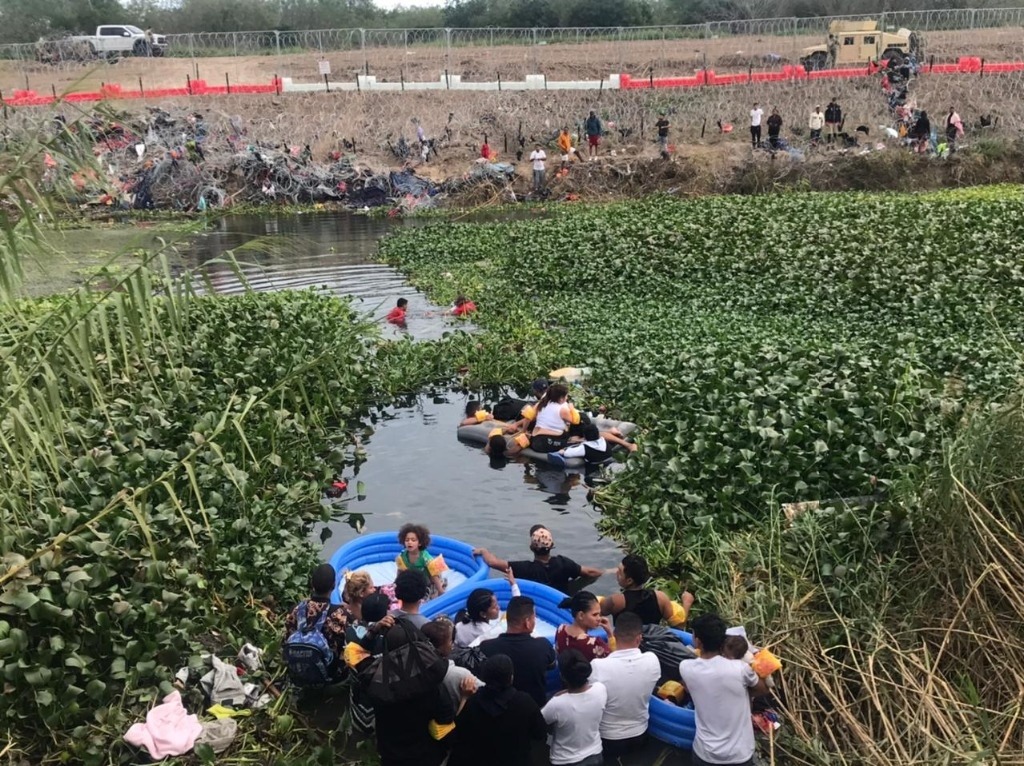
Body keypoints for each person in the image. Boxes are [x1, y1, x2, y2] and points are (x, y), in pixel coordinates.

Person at [680, 613, 771, 766]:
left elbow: (689, 688)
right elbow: (763, 689)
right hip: (739, 755)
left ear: (698, 641)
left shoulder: (686, 668)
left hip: (705, 754)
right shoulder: (740, 669)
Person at [371, 623, 457, 766]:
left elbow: (355, 654)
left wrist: (373, 631)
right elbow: (445, 718)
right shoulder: (429, 682)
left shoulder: (376, 681)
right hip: (423, 755)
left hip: (390, 755)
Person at [448, 654, 548, 766]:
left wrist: (465, 697)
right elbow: (540, 733)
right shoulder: (525, 702)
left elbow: (457, 733)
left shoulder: (473, 703)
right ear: (511, 678)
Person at [590, 611, 662, 759]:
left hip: (608, 736)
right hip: (640, 732)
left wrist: (610, 636)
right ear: (639, 638)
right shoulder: (652, 660)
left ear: (615, 635)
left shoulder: (598, 666)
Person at [473, 524, 604, 592]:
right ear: (552, 545)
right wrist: (606, 571)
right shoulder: (564, 564)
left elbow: (492, 562)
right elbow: (591, 573)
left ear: (531, 547)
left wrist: (484, 550)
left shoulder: (524, 569)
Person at [480, 596, 556, 706]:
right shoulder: (543, 646)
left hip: (496, 709)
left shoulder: (486, 647)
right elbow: (551, 666)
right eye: (534, 618)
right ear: (527, 622)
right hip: (534, 708)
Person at [283, 563, 350, 684]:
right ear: (334, 585)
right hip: (331, 676)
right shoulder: (339, 614)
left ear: (312, 585)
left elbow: (286, 639)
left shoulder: (295, 609)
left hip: (299, 673)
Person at [542, 650, 607, 766]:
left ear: (562, 677)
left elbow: (540, 721)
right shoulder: (600, 689)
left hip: (565, 760)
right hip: (595, 754)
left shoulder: (556, 704)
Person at [600, 554, 693, 627]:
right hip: (653, 643)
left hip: (626, 645)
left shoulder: (616, 601)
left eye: (619, 572)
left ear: (629, 581)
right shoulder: (660, 597)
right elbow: (679, 624)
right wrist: (686, 603)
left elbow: (592, 612)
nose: (616, 573)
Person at [422, 617, 482, 711]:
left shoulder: (414, 670)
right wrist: (465, 697)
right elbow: (484, 690)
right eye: (450, 641)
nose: (452, 644)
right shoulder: (461, 675)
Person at [454, 571, 521, 647]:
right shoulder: (489, 633)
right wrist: (514, 585)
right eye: (495, 607)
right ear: (483, 614)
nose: (498, 608)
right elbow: (518, 608)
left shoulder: (459, 626)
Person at [548, 422, 637, 468]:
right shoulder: (603, 440)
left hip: (595, 468)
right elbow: (601, 435)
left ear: (585, 437)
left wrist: (562, 451)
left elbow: (568, 453)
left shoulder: (584, 448)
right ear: (598, 434)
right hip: (610, 460)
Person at [555, 590, 611, 661]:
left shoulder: (560, 629)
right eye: (595, 615)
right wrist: (610, 634)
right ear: (581, 615)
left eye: (599, 614)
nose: (599, 619)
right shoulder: (594, 643)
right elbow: (613, 661)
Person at [396, 523, 447, 597]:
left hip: (427, 581)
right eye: (407, 540)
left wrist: (440, 591)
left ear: (419, 543)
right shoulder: (403, 556)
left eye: (413, 540)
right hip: (414, 580)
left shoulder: (424, 557)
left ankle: (439, 586)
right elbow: (400, 570)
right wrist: (396, 583)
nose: (409, 542)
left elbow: (433, 574)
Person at [528, 383, 582, 454]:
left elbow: (528, 415)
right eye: (566, 396)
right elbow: (576, 421)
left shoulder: (544, 402)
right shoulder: (562, 409)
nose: (567, 398)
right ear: (561, 398)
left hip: (534, 439)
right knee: (574, 444)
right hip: (544, 442)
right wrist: (572, 409)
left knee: (565, 434)